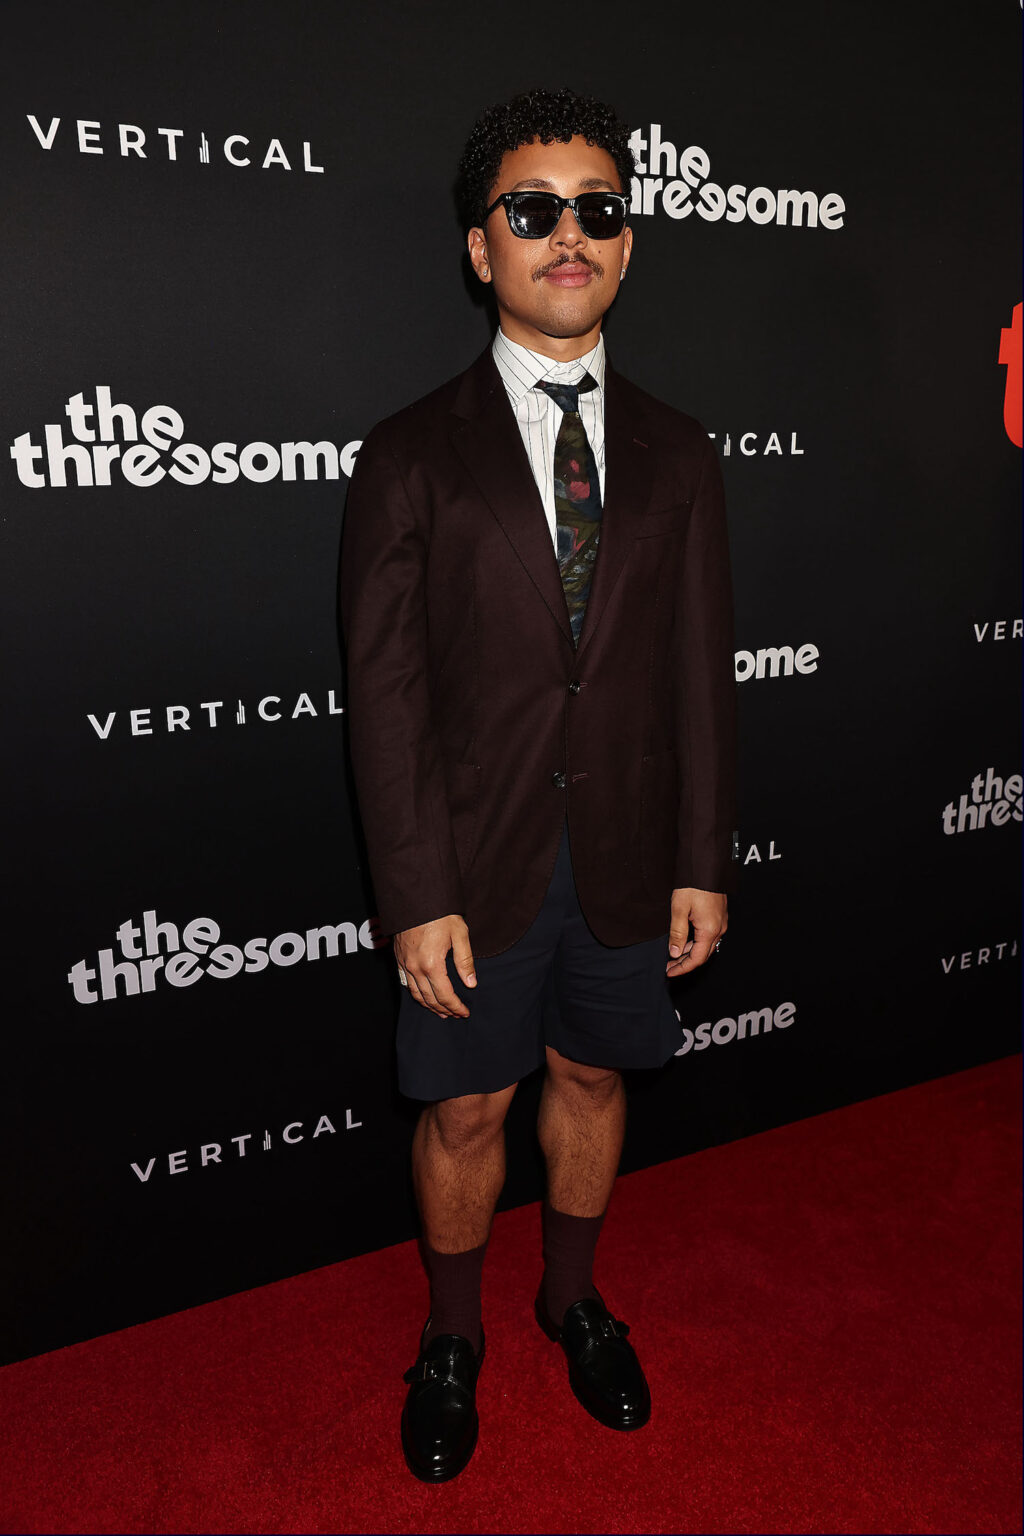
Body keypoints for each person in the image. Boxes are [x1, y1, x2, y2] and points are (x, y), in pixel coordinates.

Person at [339, 85, 737, 1483]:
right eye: (533, 209)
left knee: (590, 1074)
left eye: (598, 211)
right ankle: (452, 1336)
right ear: (481, 245)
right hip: (472, 860)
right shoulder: (407, 455)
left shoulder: (685, 453)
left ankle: (571, 1298)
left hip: (628, 848)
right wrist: (416, 891)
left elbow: (700, 675)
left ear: (627, 246)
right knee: (465, 1111)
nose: (569, 233)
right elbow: (385, 697)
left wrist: (702, 859)